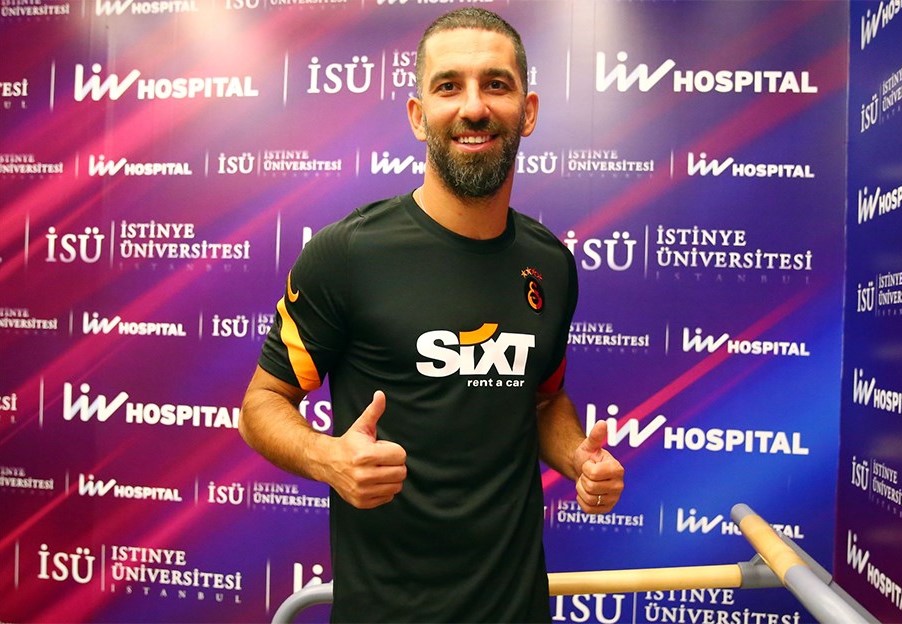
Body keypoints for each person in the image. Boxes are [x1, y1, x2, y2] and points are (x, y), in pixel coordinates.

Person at [239, 7, 625, 622]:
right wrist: (326, 457)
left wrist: (578, 457)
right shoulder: (348, 254)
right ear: (419, 115)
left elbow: (545, 402)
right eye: (449, 86)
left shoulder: (549, 264)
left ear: (527, 111)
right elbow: (262, 403)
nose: (474, 107)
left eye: (496, 84)